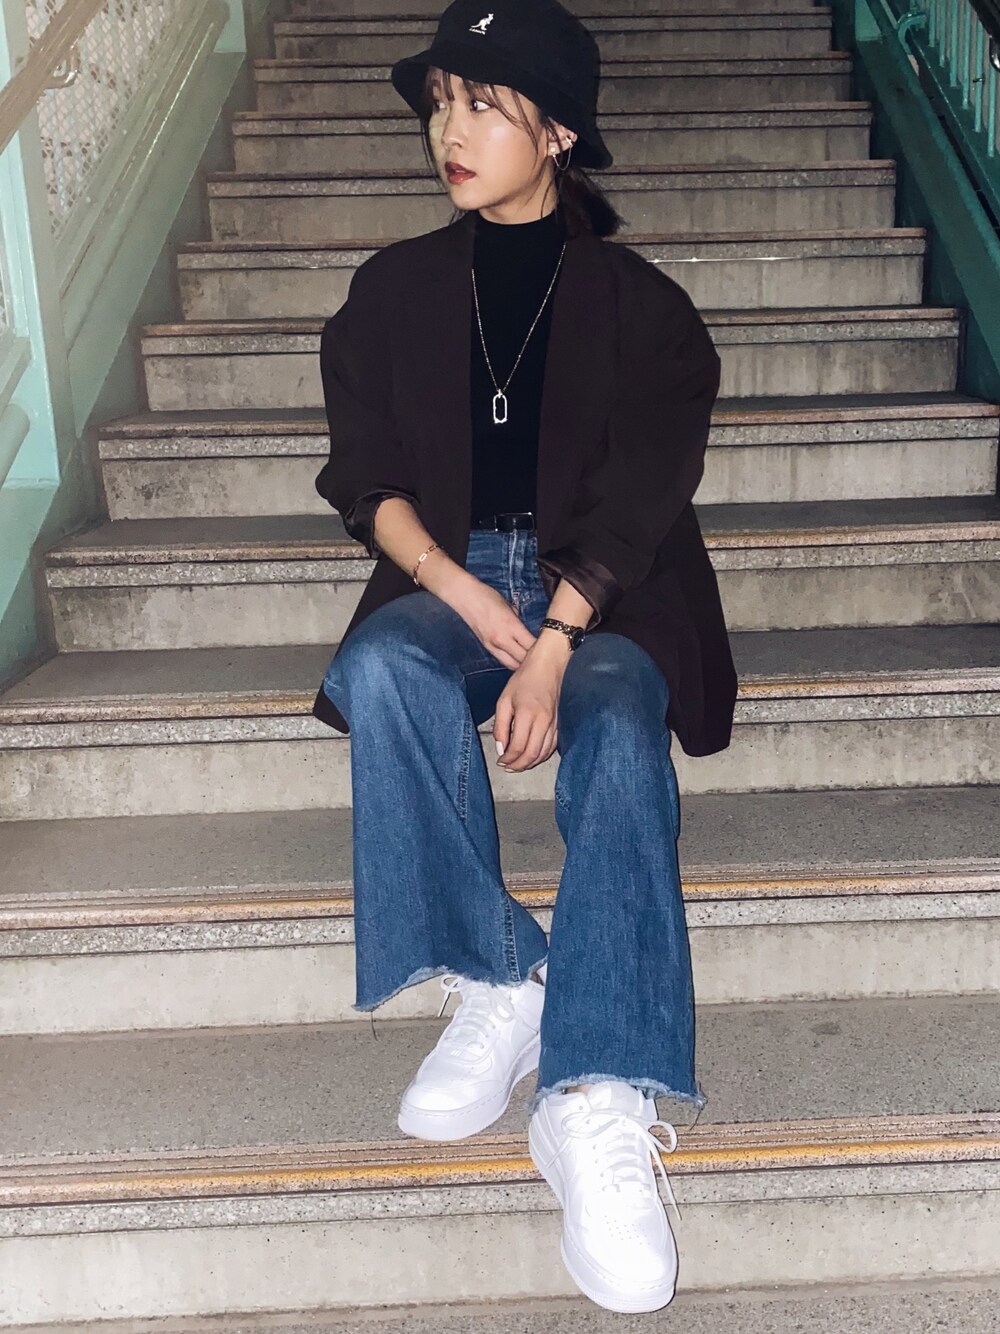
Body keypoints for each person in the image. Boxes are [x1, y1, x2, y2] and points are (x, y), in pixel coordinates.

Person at [311, 0, 738, 1313]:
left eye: (485, 105)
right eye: (442, 101)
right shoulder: (392, 291)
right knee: (382, 668)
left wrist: (554, 637)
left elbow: (644, 495)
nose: (451, 129)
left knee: (615, 722)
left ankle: (593, 1090)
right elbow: (366, 480)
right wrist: (452, 586)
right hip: (452, 576)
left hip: (607, 594)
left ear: (557, 134)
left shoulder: (645, 310)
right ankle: (505, 972)